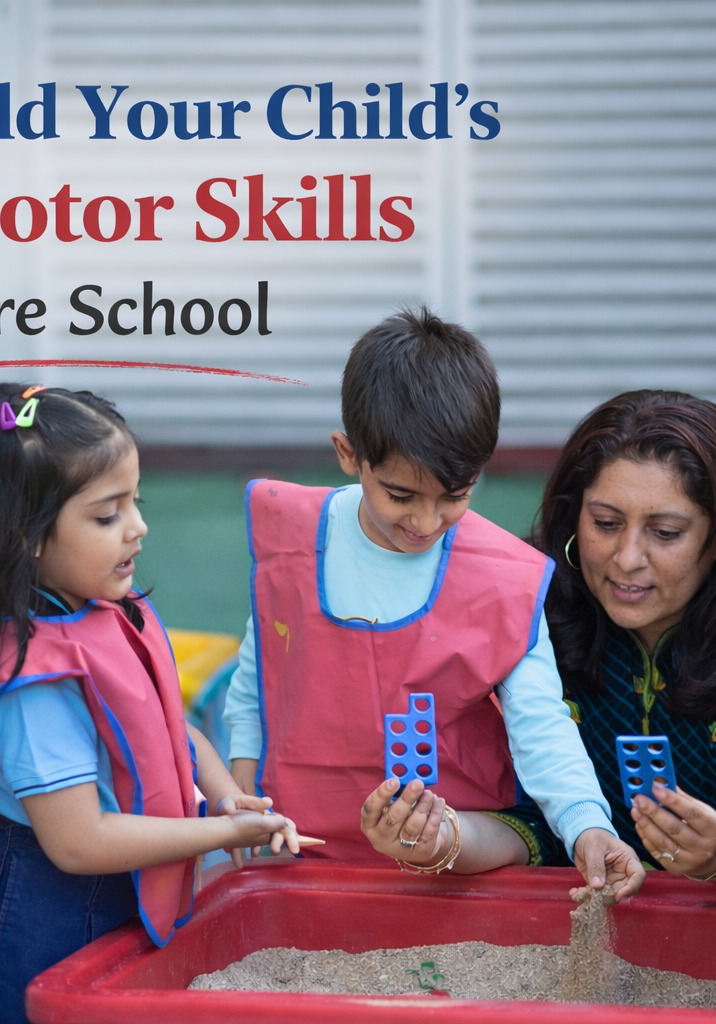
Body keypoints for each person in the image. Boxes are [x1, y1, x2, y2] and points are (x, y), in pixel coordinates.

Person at [0, 384, 298, 1024]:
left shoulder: (106, 614)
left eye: (136, 501)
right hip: (38, 919)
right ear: (25, 535)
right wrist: (225, 834)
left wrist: (225, 795)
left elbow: (168, 731)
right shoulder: (30, 682)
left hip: (108, 893)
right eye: (107, 516)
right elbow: (79, 841)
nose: (138, 527)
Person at [363, 389, 716, 889]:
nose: (627, 558)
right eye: (606, 523)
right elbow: (536, 823)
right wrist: (442, 839)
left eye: (665, 532)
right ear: (573, 515)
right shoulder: (528, 610)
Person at [223, 309, 643, 895]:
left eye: (455, 495)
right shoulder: (295, 540)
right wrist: (243, 789)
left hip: (450, 867)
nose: (425, 522)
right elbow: (258, 679)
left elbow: (540, 721)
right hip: (304, 856)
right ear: (348, 453)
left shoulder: (500, 578)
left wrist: (586, 825)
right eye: (400, 495)